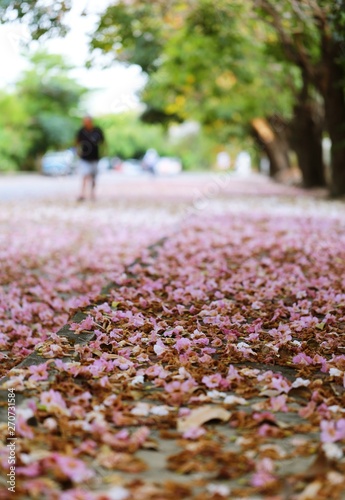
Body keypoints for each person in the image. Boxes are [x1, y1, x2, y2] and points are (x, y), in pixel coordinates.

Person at [75, 116, 105, 201]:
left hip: (95, 157)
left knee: (93, 177)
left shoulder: (97, 131)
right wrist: (78, 151)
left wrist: (103, 152)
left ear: (91, 122)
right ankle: (82, 193)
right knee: (84, 175)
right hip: (84, 158)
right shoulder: (81, 131)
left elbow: (103, 142)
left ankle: (92, 193)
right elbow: (77, 142)